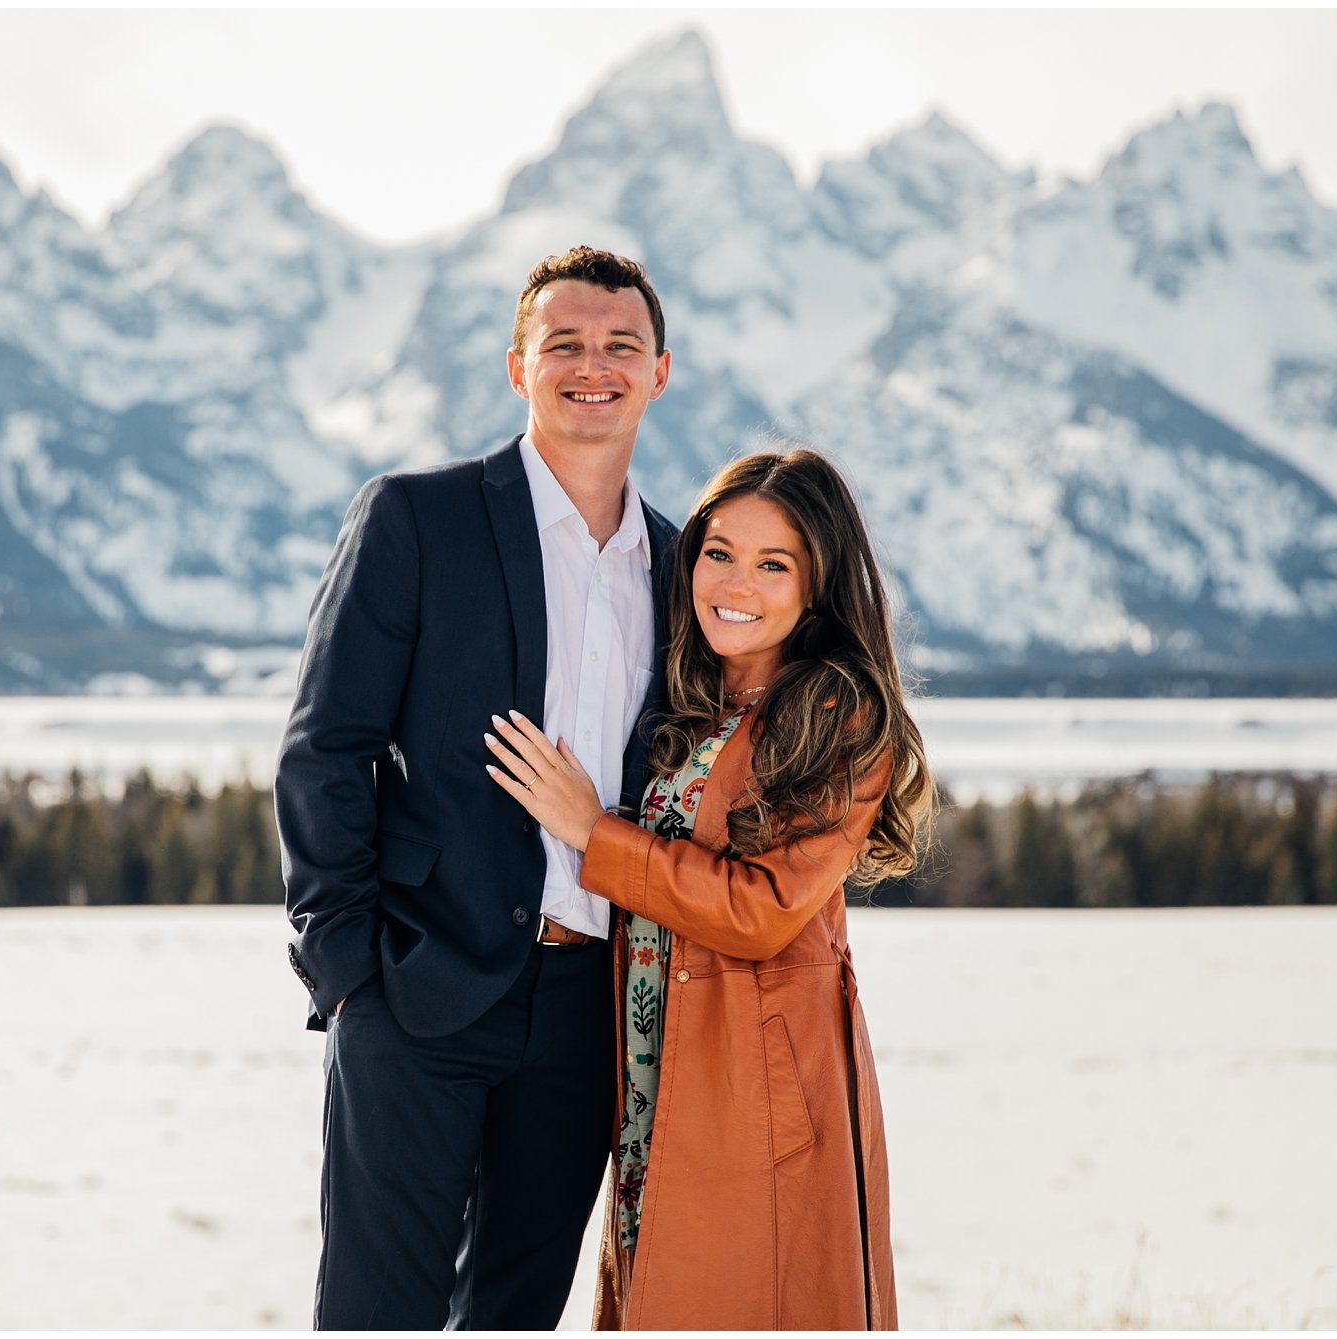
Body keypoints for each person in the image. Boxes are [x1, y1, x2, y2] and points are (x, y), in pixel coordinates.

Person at [276, 246, 679, 1329]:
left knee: (512, 1317)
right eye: (562, 344)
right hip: (416, 991)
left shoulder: (688, 573)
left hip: (588, 1013)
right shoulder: (418, 520)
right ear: (517, 366)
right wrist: (347, 970)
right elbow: (325, 747)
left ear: (658, 371)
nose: (589, 366)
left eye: (617, 346)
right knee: (376, 1316)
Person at [484, 447, 935, 1330]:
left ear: (818, 586)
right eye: (720, 551)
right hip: (661, 1063)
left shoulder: (840, 716)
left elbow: (760, 911)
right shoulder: (689, 694)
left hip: (755, 1081)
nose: (737, 581)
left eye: (775, 564)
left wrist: (591, 831)